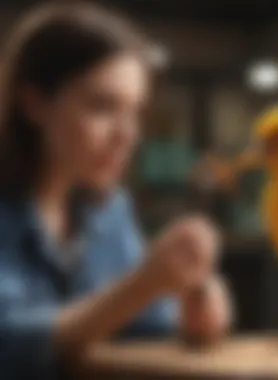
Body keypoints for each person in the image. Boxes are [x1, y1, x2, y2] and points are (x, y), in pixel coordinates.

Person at [0, 3, 232, 379]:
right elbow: (8, 341)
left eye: (135, 112)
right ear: (33, 103)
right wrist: (144, 285)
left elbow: (147, 328)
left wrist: (192, 313)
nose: (128, 136)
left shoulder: (111, 212)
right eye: (102, 106)